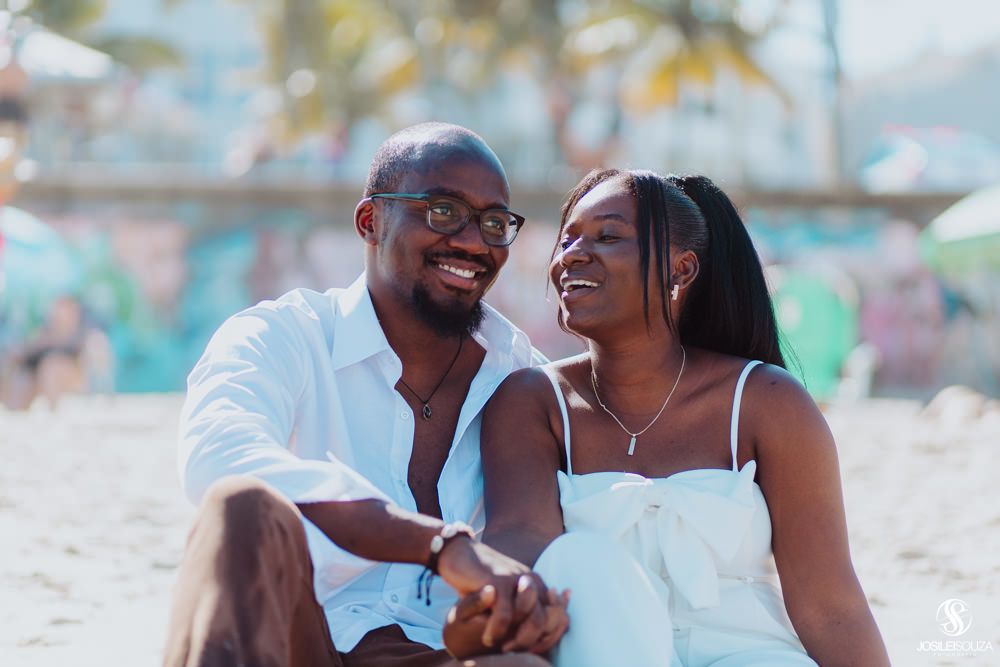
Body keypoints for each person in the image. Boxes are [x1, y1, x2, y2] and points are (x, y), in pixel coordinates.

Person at [164, 123, 568, 667]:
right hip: (292, 642)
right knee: (242, 507)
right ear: (370, 221)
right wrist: (439, 545)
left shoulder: (527, 381)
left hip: (445, 651)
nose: (474, 242)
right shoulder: (283, 336)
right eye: (443, 211)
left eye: (494, 223)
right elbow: (219, 458)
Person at [476, 169, 890, 666]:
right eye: (566, 241)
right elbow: (522, 554)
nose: (572, 256)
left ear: (681, 269)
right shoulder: (532, 402)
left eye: (607, 236)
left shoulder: (766, 401)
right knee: (575, 560)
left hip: (752, 656)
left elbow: (830, 606)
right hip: (604, 654)